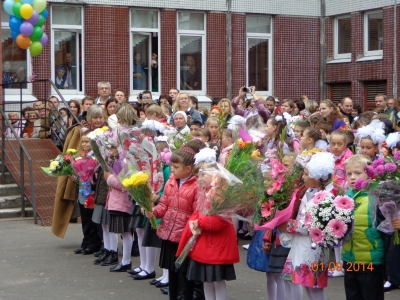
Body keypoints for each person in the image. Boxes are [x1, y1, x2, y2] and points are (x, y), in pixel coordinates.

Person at [177, 161, 239, 300]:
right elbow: (200, 212)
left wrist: (199, 222)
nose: (199, 179)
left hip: (217, 244)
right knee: (207, 280)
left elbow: (220, 221)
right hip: (207, 243)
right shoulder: (206, 191)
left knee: (217, 281)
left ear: (214, 174)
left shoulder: (221, 192)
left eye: (202, 175)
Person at [281, 152, 336, 300]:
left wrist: (287, 226)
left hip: (313, 248)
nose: (303, 177)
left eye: (306, 174)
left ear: (317, 178)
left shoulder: (325, 198)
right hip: (300, 244)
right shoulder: (308, 192)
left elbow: (310, 225)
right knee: (304, 284)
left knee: (314, 287)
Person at [146, 147, 198, 300]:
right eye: (171, 166)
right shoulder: (171, 182)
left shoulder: (196, 185)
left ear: (188, 169)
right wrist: (153, 212)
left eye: (176, 167)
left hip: (184, 236)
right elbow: (164, 205)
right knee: (172, 272)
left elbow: (196, 212)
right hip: (169, 234)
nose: (172, 170)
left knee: (185, 274)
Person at [342, 155, 386, 300]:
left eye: (358, 173)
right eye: (349, 174)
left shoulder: (376, 197)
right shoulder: (344, 198)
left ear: (369, 173)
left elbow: (387, 229)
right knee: (353, 295)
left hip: (370, 260)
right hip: (349, 259)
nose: (353, 177)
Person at [73, 131, 103, 255]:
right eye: (83, 142)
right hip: (83, 188)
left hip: (92, 189)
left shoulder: (96, 156)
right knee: (84, 216)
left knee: (92, 217)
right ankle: (86, 241)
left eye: (87, 142)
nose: (84, 144)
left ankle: (94, 242)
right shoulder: (82, 156)